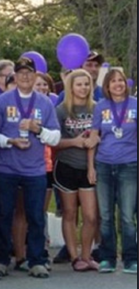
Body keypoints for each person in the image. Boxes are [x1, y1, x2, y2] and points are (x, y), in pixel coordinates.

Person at [0, 57, 61, 279]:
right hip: (6, 168)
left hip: (35, 169)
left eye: (29, 72)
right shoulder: (2, 101)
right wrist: (10, 141)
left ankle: (37, 260)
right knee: (3, 215)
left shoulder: (45, 102)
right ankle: (0, 260)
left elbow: (56, 137)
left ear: (35, 75)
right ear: (15, 76)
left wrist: (36, 130)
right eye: (20, 73)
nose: (25, 76)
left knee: (36, 217)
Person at [89, 69, 137, 274]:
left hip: (130, 165)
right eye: (113, 81)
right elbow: (93, 138)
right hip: (104, 165)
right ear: (107, 86)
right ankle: (107, 257)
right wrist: (90, 167)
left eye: (121, 81)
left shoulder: (135, 104)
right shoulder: (101, 107)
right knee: (106, 215)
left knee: (127, 215)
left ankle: (131, 258)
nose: (118, 84)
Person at [54, 69, 99, 271]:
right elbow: (54, 142)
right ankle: (74, 258)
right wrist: (75, 142)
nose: (83, 88)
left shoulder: (97, 109)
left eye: (86, 84)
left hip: (88, 169)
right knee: (69, 213)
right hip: (66, 166)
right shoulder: (61, 110)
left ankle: (87, 255)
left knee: (90, 216)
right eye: (79, 84)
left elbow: (100, 137)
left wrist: (95, 140)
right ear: (71, 87)